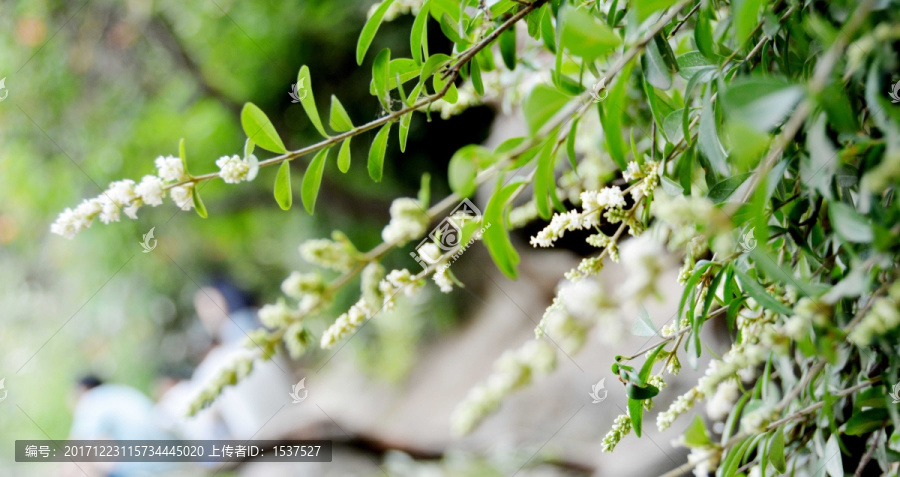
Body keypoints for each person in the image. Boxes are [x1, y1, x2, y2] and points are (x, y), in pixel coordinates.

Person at [69, 376, 180, 476]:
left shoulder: (91, 399)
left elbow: (76, 447)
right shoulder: (120, 394)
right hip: (169, 462)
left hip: (139, 469)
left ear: (82, 390)